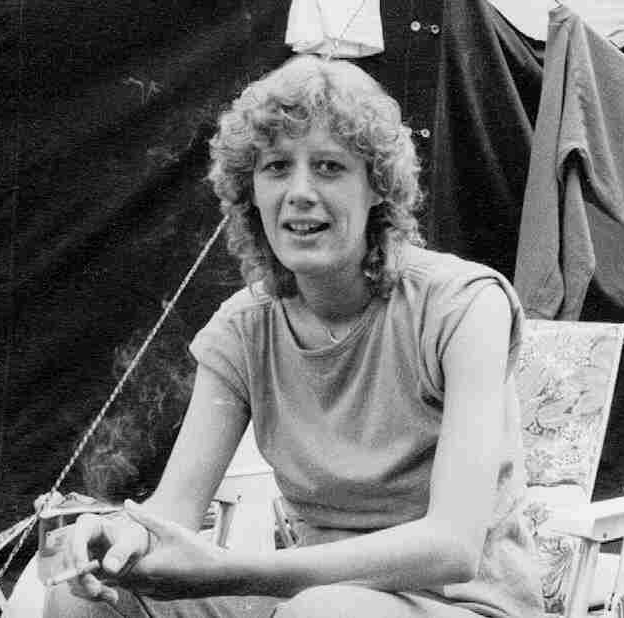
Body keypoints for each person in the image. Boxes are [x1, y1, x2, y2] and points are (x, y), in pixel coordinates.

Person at [43, 54, 543, 618]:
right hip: (307, 596)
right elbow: (174, 510)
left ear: (378, 186)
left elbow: (452, 547)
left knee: (324, 613)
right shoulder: (243, 327)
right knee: (88, 598)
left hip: (461, 603)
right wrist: (123, 536)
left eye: (329, 166)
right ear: (250, 192)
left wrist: (228, 570)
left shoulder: (463, 305)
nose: (300, 191)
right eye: (277, 167)